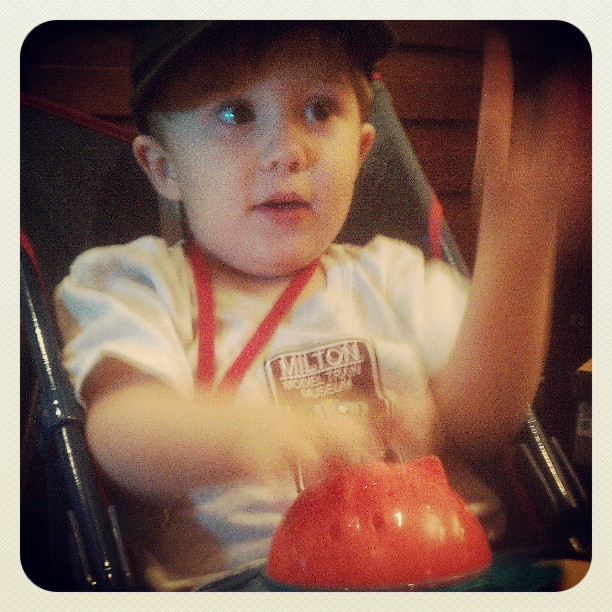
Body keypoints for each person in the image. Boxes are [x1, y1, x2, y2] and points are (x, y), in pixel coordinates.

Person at [54, 21, 590, 590]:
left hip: (455, 564)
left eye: (318, 109)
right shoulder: (142, 285)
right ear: (164, 168)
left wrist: (521, 245)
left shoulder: (395, 277)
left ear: (360, 151)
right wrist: (250, 434)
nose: (288, 151)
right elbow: (121, 430)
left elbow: (483, 423)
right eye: (236, 113)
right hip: (253, 579)